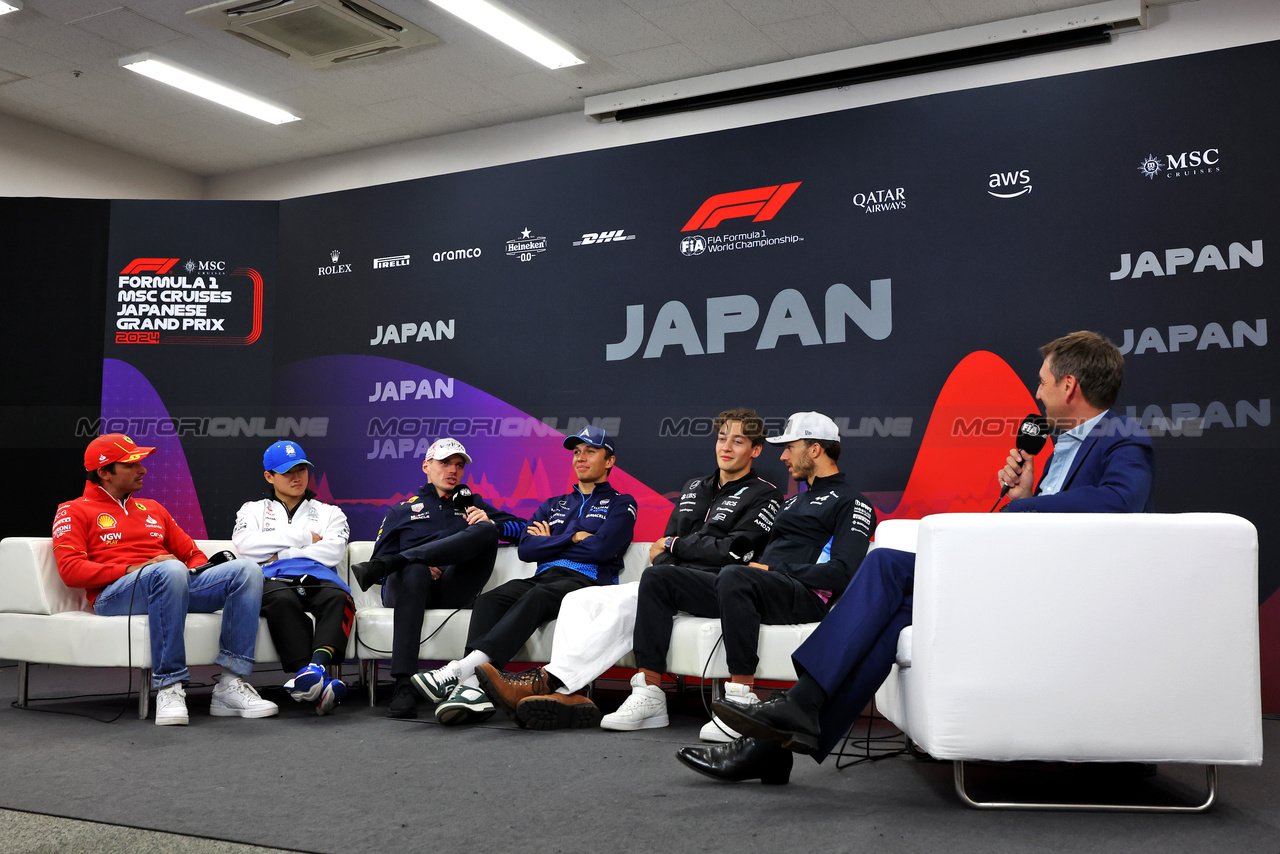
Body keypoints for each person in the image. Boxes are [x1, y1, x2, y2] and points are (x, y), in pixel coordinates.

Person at [682, 330, 1155, 784]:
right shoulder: (1060, 449)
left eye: (1043, 382)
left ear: (1069, 386)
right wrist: (1026, 489)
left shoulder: (1122, 436)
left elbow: (1120, 500)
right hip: (1017, 572)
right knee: (891, 620)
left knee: (887, 563)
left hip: (1043, 584)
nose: (1037, 392)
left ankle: (794, 713)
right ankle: (777, 745)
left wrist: (1023, 504)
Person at [476, 408, 782, 732]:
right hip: (670, 581)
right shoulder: (694, 487)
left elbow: (733, 551)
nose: (726, 447)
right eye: (722, 439)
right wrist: (670, 555)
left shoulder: (765, 494)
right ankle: (572, 694)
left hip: (715, 585)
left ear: (756, 450)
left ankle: (549, 683)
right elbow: (657, 551)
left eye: (738, 441)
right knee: (582, 600)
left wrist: (675, 547)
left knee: (653, 581)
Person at [600, 411, 877, 739]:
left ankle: (740, 701)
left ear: (815, 449)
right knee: (658, 579)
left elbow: (842, 573)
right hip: (756, 587)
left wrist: (771, 569)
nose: (784, 456)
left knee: (735, 576)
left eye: (790, 447)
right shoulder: (790, 504)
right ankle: (649, 694)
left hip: (803, 595)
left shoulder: (853, 503)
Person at [411, 426, 637, 726]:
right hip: (545, 576)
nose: (580, 458)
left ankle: (462, 674)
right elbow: (527, 549)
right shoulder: (553, 504)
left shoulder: (623, 503)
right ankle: (474, 688)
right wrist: (571, 539)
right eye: (577, 452)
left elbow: (602, 549)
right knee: (491, 600)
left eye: (590, 451)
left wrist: (551, 542)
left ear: (609, 461)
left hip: (588, 582)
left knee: (538, 596)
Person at [52, 434, 278, 725]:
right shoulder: (73, 510)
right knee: (168, 570)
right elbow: (71, 570)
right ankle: (169, 686)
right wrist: (136, 569)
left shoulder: (153, 508)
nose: (142, 470)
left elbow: (193, 554)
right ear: (104, 473)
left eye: (140, 463)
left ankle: (230, 686)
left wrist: (192, 573)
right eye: (131, 464)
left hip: (170, 583)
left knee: (246, 569)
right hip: (114, 595)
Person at [349, 437, 526, 718]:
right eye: (444, 463)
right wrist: (417, 563)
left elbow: (523, 529)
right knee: (414, 569)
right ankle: (404, 683)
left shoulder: (472, 503)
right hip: (407, 586)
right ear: (426, 467)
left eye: (458, 465)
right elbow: (377, 568)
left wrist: (491, 522)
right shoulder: (402, 510)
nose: (453, 470)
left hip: (452, 589)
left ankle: (410, 559)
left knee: (487, 530)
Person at [232, 440, 352, 715]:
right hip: (273, 580)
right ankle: (313, 680)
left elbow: (333, 552)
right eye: (287, 472)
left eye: (301, 469)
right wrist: (304, 539)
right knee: (281, 599)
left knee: (338, 597)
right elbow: (246, 546)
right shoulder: (252, 509)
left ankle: (314, 670)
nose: (296, 477)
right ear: (269, 476)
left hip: (319, 576)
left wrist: (278, 553)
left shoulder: (330, 511)